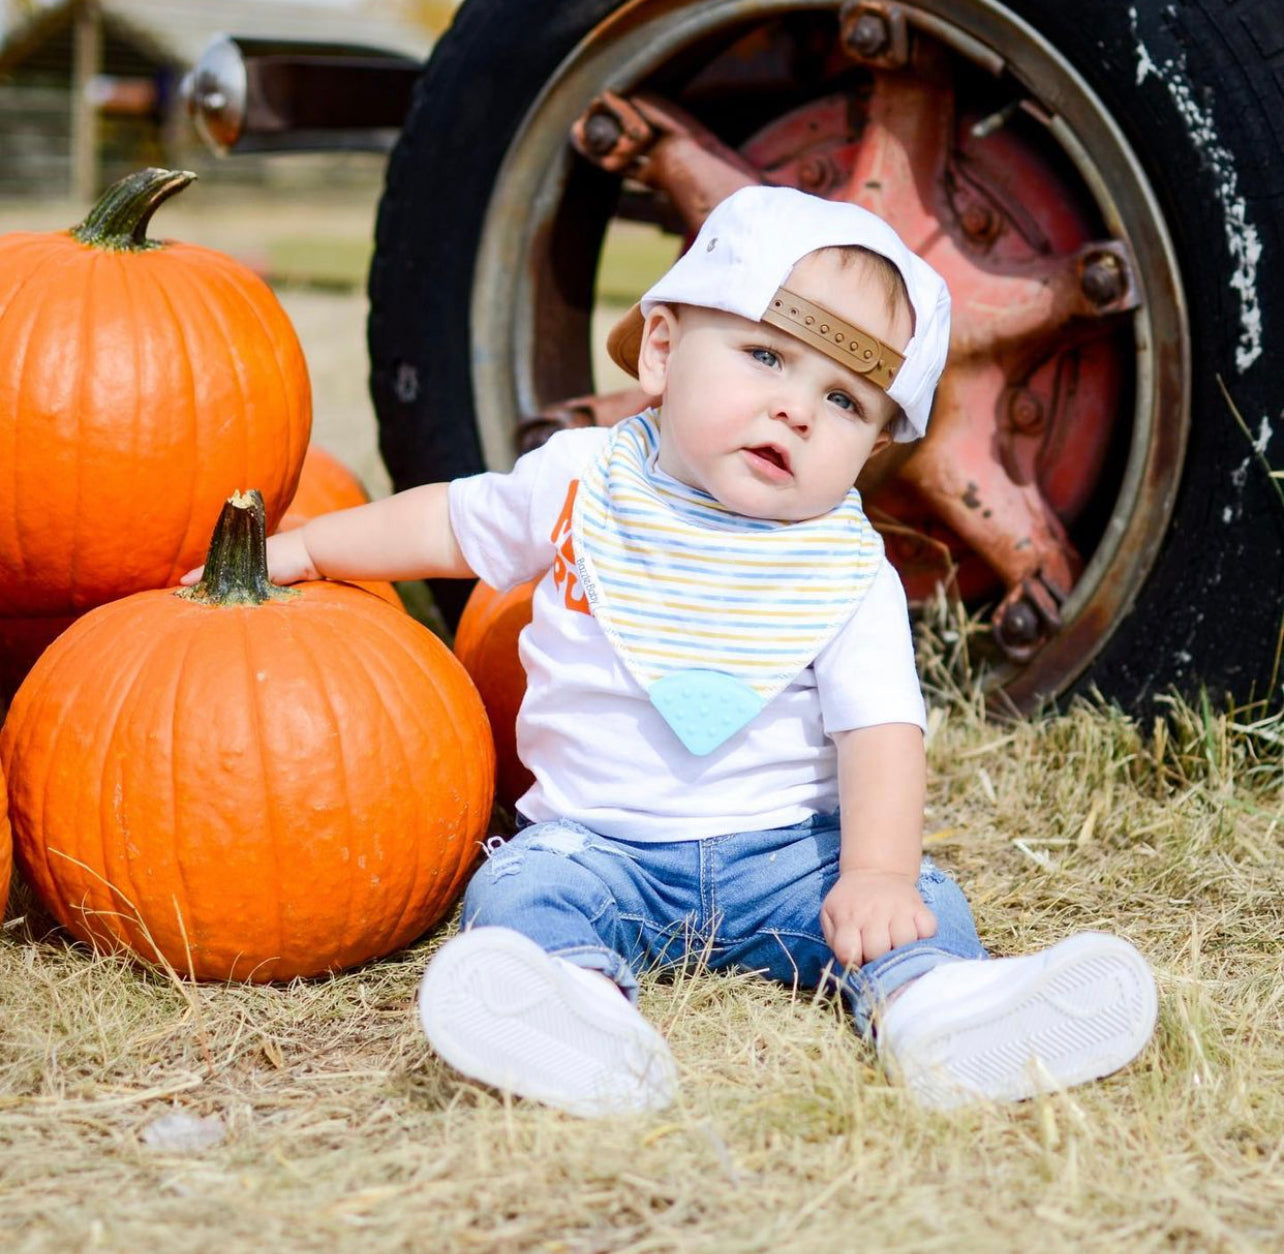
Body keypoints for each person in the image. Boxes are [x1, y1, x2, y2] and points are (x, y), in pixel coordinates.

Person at [214, 186, 1158, 1116]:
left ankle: (938, 1010)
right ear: (662, 351)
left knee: (919, 904)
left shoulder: (844, 568)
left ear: (871, 451)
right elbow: (448, 525)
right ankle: (576, 1013)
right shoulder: (586, 481)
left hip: (789, 856)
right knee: (518, 885)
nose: (796, 410)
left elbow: (881, 734)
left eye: (842, 399)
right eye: (764, 356)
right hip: (599, 845)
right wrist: (305, 546)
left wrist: (873, 875)